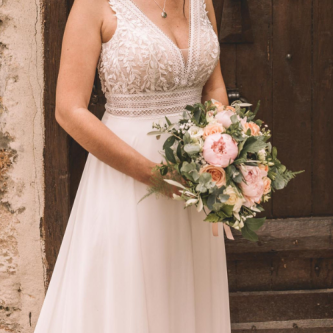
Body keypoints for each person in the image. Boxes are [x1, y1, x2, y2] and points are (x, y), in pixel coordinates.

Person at [35, 0, 231, 331]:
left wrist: (222, 145)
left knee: (186, 294)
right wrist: (153, 175)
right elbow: (68, 109)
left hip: (195, 182)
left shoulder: (202, 2)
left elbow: (214, 87)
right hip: (127, 180)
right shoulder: (95, 5)